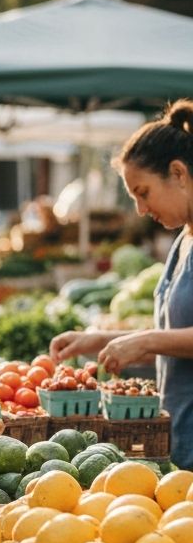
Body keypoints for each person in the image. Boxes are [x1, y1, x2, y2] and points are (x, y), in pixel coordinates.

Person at [51, 99, 193, 471]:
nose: (140, 210)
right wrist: (100, 339)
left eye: (143, 193)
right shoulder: (183, 240)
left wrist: (144, 341)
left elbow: (163, 340)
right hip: (180, 440)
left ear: (178, 173)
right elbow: (176, 339)